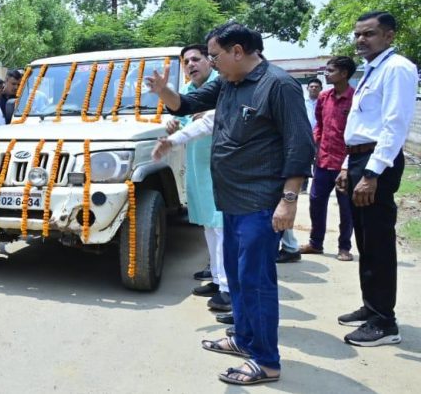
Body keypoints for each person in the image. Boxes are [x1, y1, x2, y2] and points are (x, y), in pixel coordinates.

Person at [148, 23, 314, 385]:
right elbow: (187, 104)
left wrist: (288, 200)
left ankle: (266, 361)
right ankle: (244, 339)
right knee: (238, 277)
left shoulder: (279, 85)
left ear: (237, 51)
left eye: (215, 56)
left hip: (260, 202)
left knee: (256, 280)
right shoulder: (227, 83)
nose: (212, 62)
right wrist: (164, 91)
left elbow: (299, 146)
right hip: (232, 199)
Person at [335, 11, 418, 347]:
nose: (360, 40)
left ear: (389, 36)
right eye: (358, 34)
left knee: (378, 242)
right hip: (359, 159)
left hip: (375, 164)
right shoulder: (373, 70)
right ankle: (372, 308)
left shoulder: (397, 68)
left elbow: (394, 125)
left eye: (369, 34)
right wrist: (345, 166)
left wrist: (371, 173)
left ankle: (385, 323)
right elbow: (359, 127)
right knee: (365, 241)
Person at [157, 44, 229, 312]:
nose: (190, 65)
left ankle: (228, 287)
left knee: (221, 226)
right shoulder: (186, 91)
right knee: (208, 225)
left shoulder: (221, 85)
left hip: (220, 164)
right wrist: (174, 124)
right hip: (198, 164)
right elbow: (185, 121)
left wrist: (206, 116)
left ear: (210, 62)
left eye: (196, 59)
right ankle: (217, 276)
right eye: (186, 61)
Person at [299, 56, 357, 261]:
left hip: (346, 164)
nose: (326, 73)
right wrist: (312, 145)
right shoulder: (324, 98)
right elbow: (320, 127)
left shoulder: (356, 98)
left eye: (331, 70)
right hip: (323, 161)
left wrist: (348, 164)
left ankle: (344, 247)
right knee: (316, 202)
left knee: (346, 207)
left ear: (344, 74)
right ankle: (316, 243)